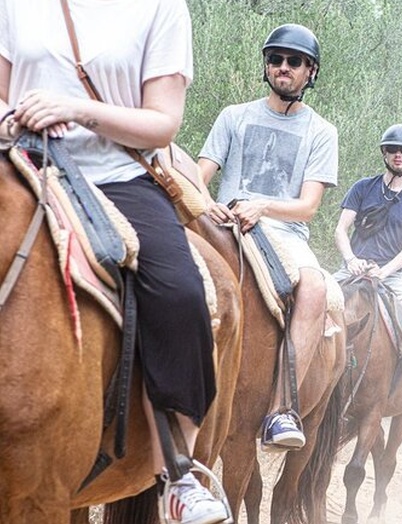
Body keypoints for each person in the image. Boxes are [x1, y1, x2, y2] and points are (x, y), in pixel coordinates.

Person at [0, 1, 228, 522]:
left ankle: (177, 471)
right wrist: (14, 117)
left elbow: (162, 123)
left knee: (181, 292)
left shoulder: (161, 9)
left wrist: (76, 109)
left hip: (115, 177)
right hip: (21, 161)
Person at [198, 23, 338, 451]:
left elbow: (309, 205)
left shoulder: (322, 132)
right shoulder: (234, 116)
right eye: (276, 60)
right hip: (224, 221)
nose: (283, 68)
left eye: (294, 62)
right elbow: (200, 175)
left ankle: (282, 409)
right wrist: (208, 203)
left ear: (309, 72)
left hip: (283, 229)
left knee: (314, 287)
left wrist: (262, 206)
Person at [333, 123, 402, 425]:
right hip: (352, 270)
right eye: (393, 149)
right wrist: (351, 259)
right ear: (384, 152)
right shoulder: (362, 187)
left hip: (391, 277)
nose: (398, 154)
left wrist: (384, 271)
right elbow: (341, 229)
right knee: (314, 302)